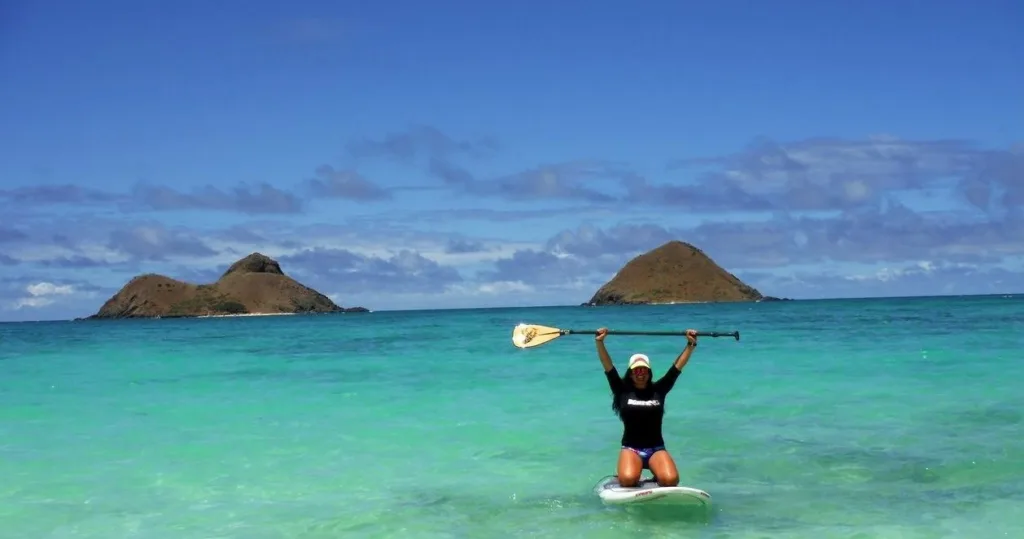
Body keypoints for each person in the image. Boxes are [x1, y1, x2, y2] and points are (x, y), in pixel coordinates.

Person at [595, 326, 698, 488]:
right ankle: (629, 472)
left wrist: (690, 345)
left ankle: (655, 476)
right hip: (631, 448)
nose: (640, 373)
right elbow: (607, 365)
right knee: (628, 480)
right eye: (636, 370)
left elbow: (677, 368)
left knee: (670, 481)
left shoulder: (659, 390)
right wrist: (600, 342)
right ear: (630, 373)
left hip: (656, 448)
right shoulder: (622, 390)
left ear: (649, 372)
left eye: (644, 369)